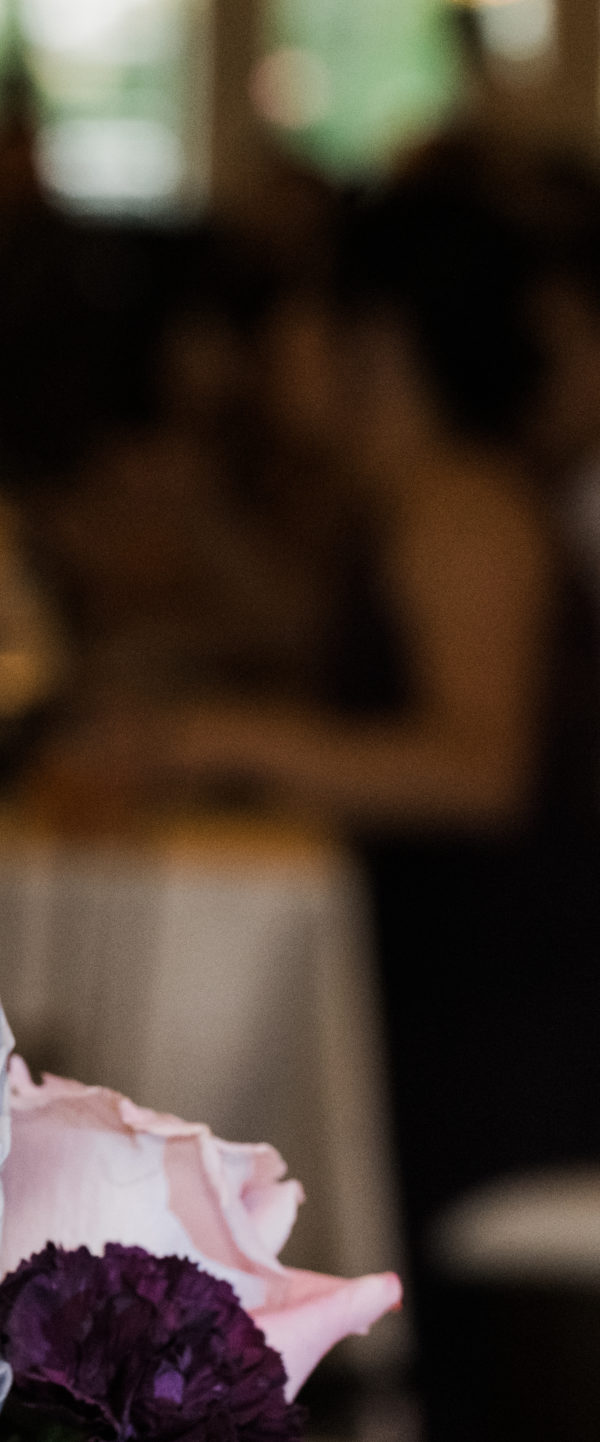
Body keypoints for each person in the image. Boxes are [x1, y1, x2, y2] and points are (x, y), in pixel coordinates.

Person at [145, 157, 600, 1431]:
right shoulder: (420, 501)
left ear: (372, 338)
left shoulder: (465, 503)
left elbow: (475, 768)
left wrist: (213, 736)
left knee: (195, 1077)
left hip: (495, 1039)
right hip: (452, 997)